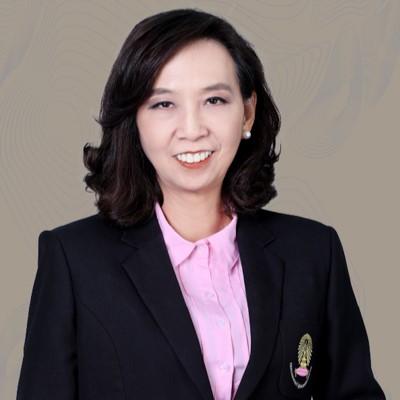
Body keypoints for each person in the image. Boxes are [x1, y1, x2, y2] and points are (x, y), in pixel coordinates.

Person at [17, 8, 385, 400]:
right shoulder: (74, 261)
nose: (192, 130)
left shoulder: (313, 252)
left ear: (247, 113)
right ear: (134, 120)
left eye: (214, 99)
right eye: (164, 104)